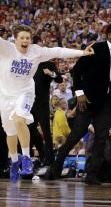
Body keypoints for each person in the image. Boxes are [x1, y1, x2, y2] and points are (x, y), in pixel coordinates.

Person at [0, 25, 94, 183]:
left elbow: (58, 51)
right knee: (10, 133)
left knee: (19, 119)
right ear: (15, 39)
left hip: (25, 92)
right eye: (22, 38)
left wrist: (82, 52)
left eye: (27, 38)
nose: (25, 41)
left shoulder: (36, 51)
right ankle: (15, 161)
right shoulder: (7, 48)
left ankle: (26, 159)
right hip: (5, 95)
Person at [47, 23, 111, 185]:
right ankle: (54, 169)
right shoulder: (96, 47)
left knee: (101, 140)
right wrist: (79, 93)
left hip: (105, 104)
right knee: (75, 136)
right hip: (87, 102)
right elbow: (77, 71)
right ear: (109, 35)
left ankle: (92, 174)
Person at [29, 36, 63, 166]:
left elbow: (59, 79)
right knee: (30, 130)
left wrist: (51, 74)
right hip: (29, 103)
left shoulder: (49, 64)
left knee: (46, 132)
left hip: (42, 104)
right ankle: (40, 155)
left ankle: (50, 161)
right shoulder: (29, 63)